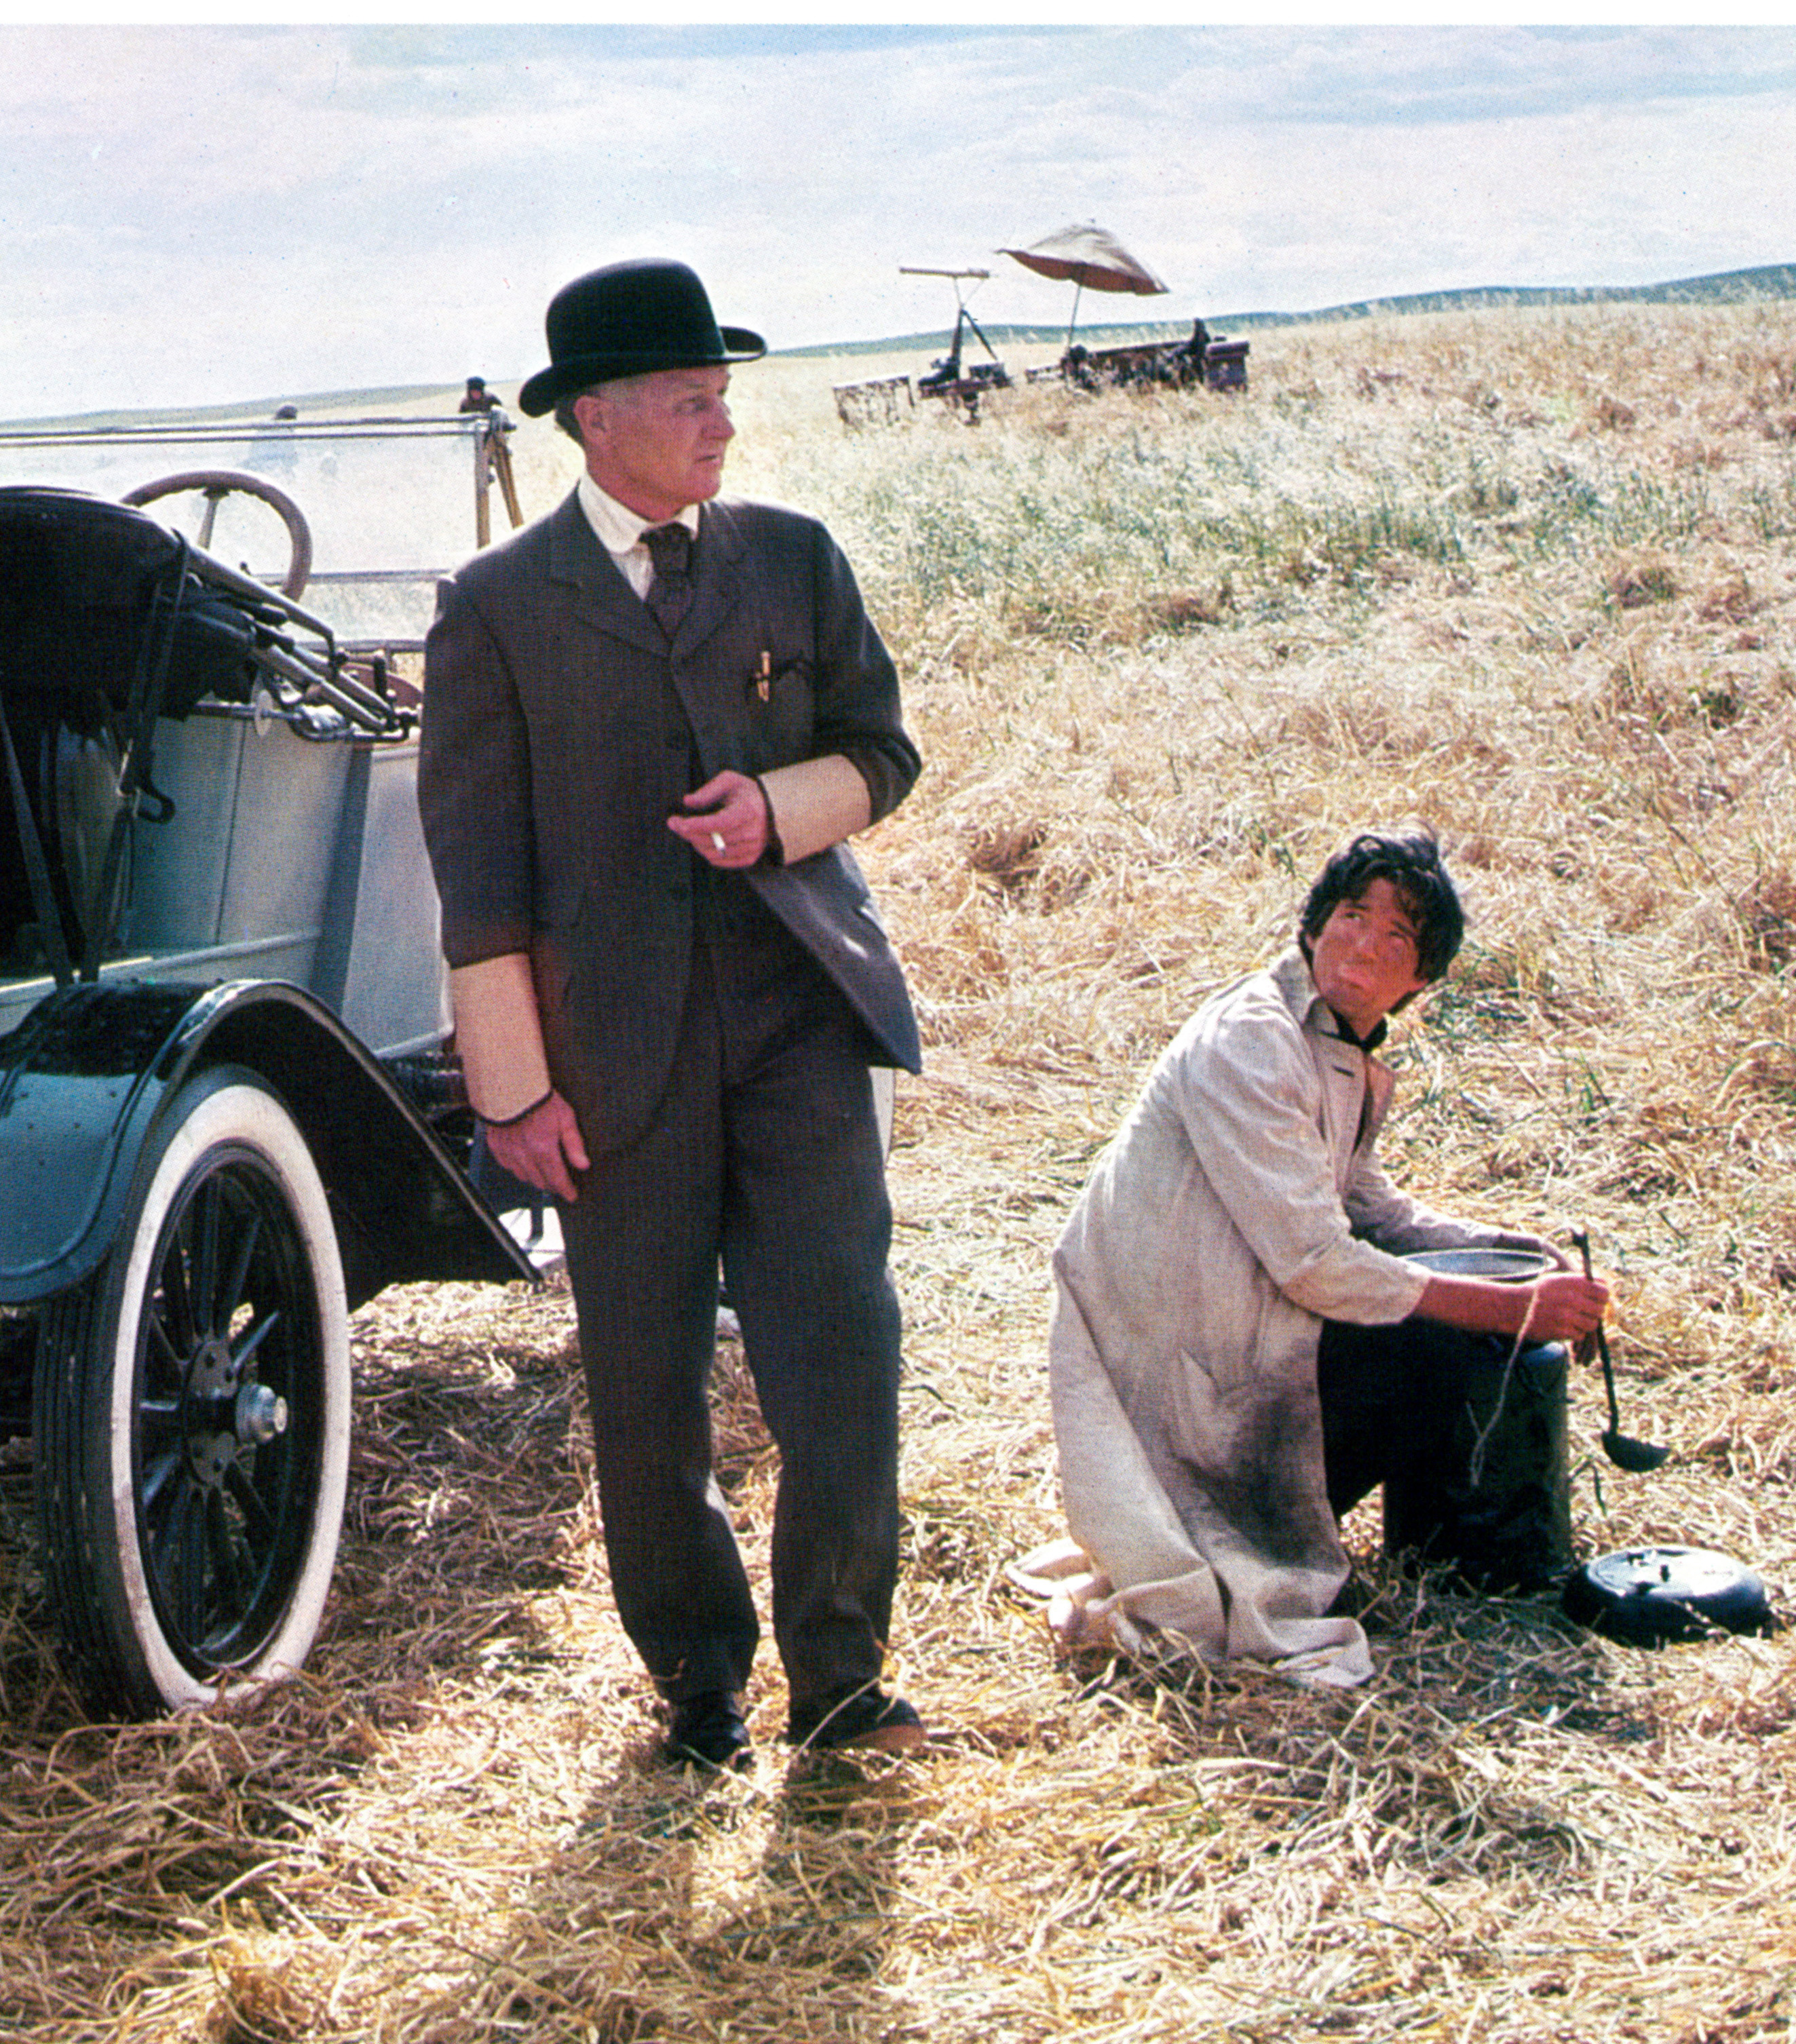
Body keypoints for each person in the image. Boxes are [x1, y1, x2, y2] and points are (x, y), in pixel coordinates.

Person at [416, 258, 926, 1773]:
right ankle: (695, 1685)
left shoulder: (792, 556)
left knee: (838, 1353)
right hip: (608, 1057)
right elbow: (476, 874)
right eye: (689, 397)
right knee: (641, 1384)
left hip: (795, 1028)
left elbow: (879, 754)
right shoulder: (495, 608)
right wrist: (512, 1093)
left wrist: (775, 808)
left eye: (721, 393)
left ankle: (842, 1680)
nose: (719, 420)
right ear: (594, 417)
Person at [1015, 830, 1609, 1687]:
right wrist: (1514, 1309)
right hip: (1169, 1377)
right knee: (1442, 1340)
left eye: (1396, 936)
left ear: (1421, 980)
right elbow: (1316, 1265)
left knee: (1451, 1324)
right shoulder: (1253, 1040)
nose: (1363, 942)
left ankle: (1446, 1548)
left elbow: (1373, 1209)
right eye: (1349, 914)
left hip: (1232, 1343)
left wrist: (1521, 1260)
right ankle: (1233, 1532)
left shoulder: (1335, 1053)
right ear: (1311, 927)